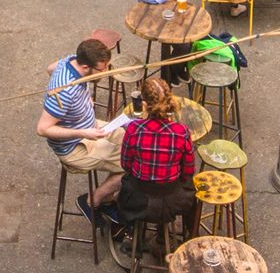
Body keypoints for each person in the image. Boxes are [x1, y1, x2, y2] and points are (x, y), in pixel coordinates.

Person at [36, 37, 123, 221]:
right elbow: (42, 129)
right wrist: (83, 133)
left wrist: (83, 99)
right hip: (75, 146)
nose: (106, 72)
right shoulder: (64, 93)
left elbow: (50, 68)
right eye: (102, 69)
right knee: (135, 165)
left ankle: (108, 197)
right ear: (85, 67)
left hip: (88, 125)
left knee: (131, 139)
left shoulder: (70, 60)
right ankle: (92, 201)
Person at [115, 77, 198, 238]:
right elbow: (188, 170)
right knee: (190, 187)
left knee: (125, 182)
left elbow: (126, 165)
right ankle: (191, 235)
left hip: (138, 199)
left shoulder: (133, 129)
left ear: (144, 104)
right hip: (174, 199)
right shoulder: (180, 132)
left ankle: (126, 230)